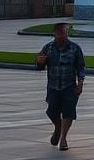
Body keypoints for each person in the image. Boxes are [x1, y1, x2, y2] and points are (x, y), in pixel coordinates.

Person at [35, 22, 86, 151]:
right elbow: (39, 66)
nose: (62, 35)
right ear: (55, 34)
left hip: (68, 85)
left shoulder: (75, 48)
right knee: (52, 111)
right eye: (59, 33)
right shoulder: (48, 48)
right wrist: (40, 62)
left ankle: (63, 138)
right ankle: (58, 127)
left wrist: (80, 83)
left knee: (68, 112)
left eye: (64, 32)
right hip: (53, 86)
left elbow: (80, 67)